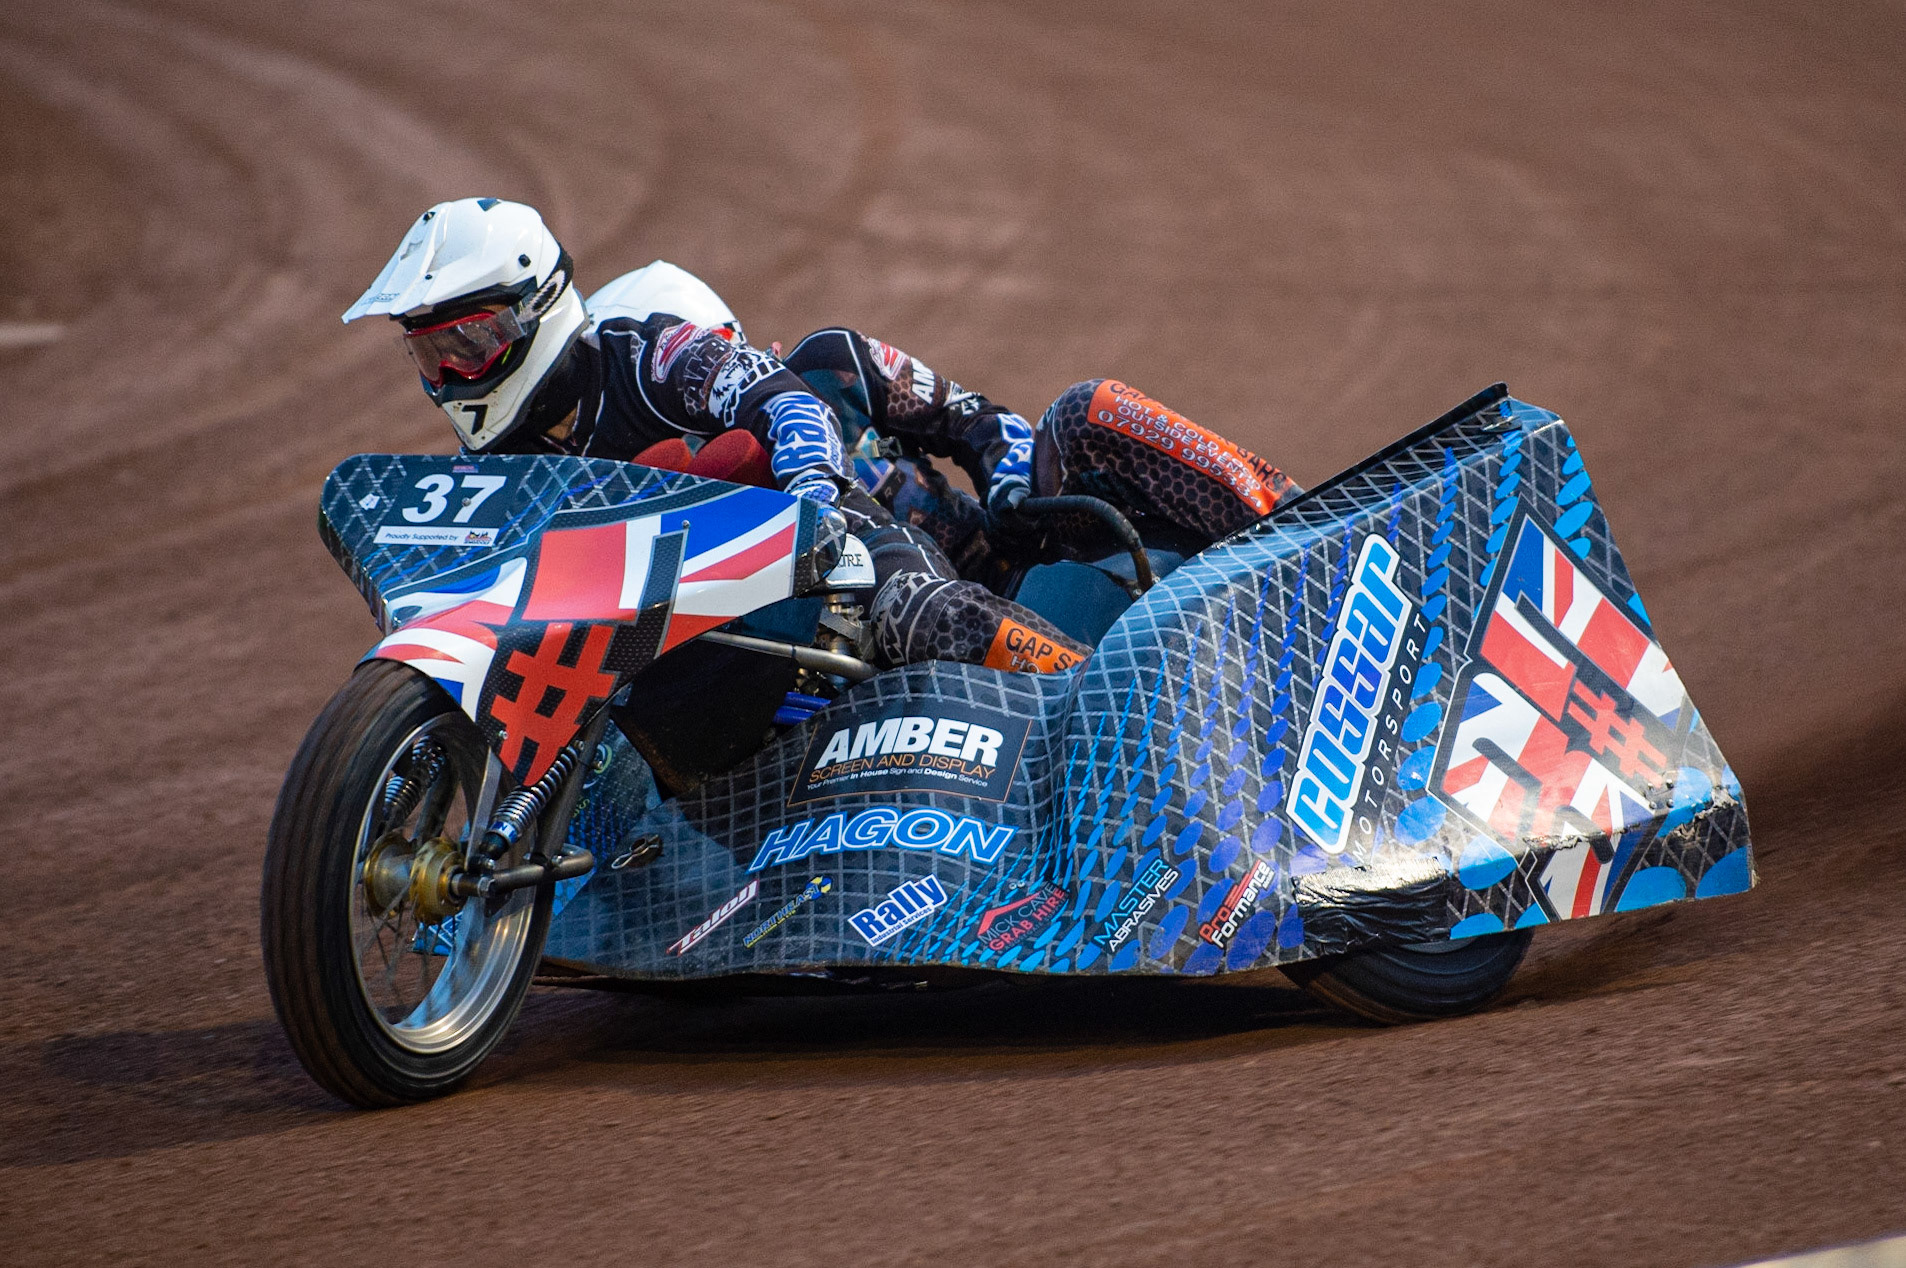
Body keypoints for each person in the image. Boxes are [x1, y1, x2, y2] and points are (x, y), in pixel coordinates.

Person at [343, 197, 1297, 671]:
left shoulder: (810, 367)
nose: (454, 374)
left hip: (976, 561)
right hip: (793, 640)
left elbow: (983, 423)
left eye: (473, 344)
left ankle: (1295, 522)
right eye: (437, 356)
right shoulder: (541, 463)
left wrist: (1007, 495)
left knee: (1081, 414)